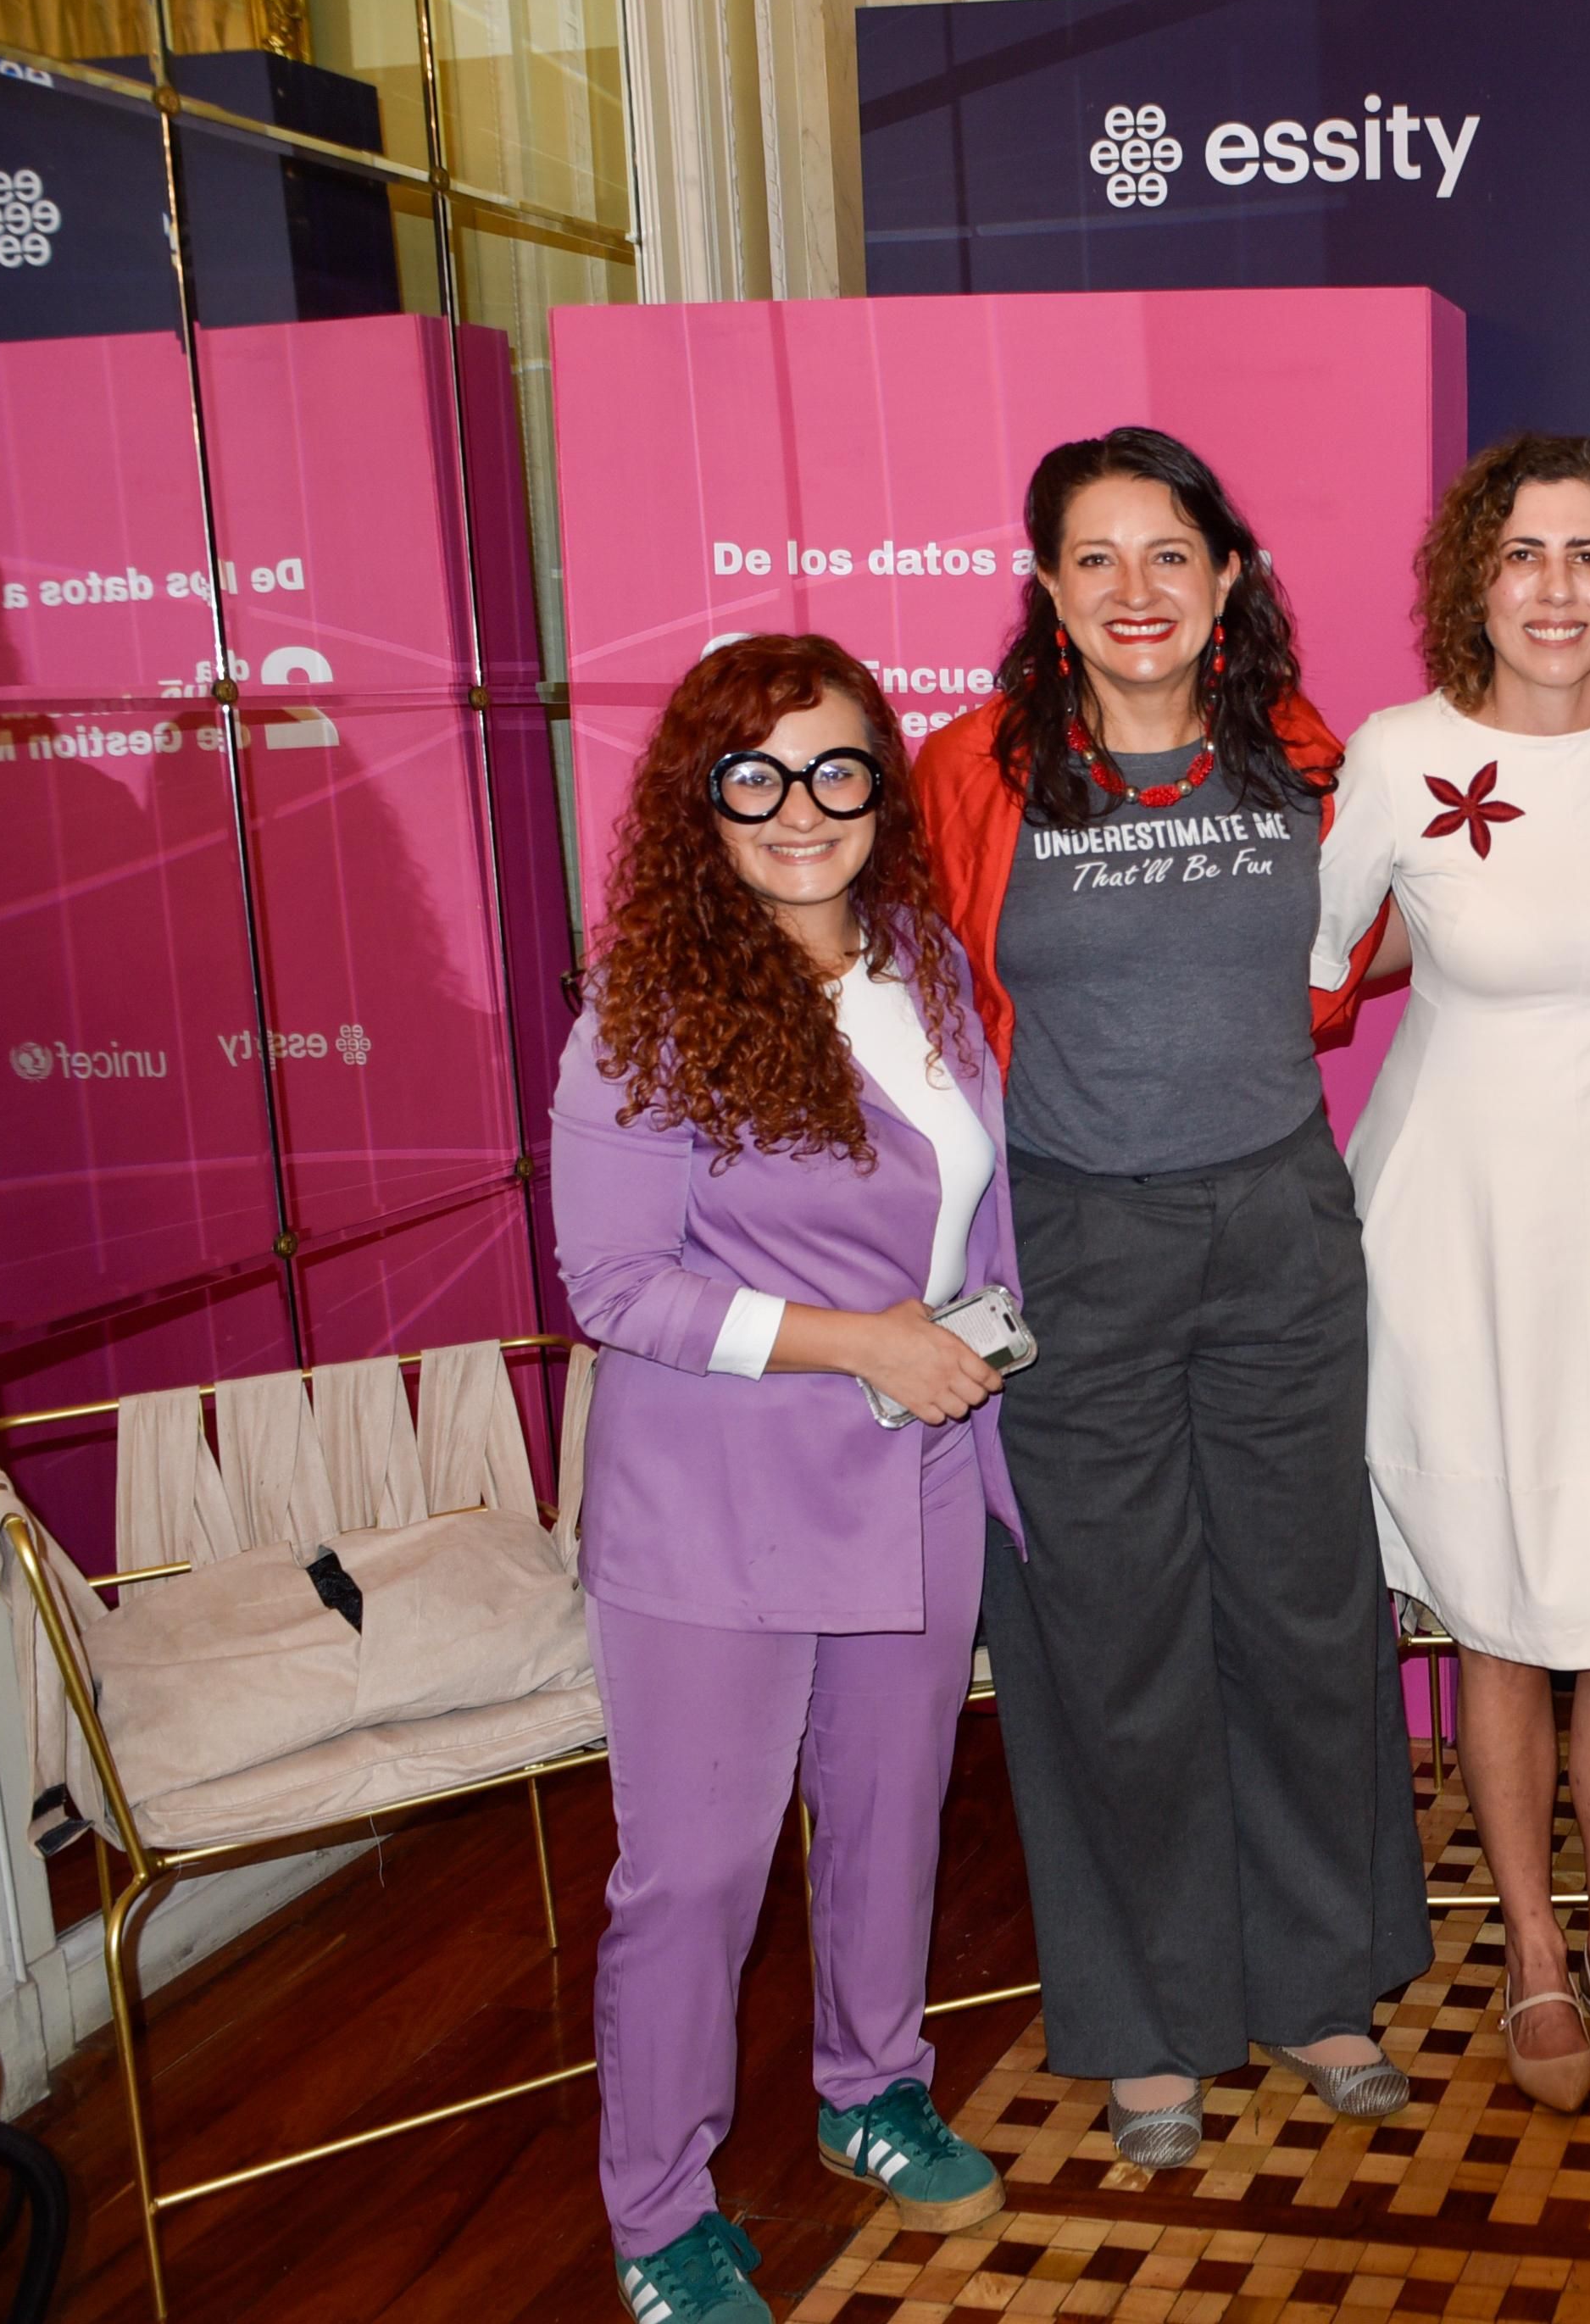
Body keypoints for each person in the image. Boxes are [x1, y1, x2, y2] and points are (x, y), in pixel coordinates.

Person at [915, 427, 1429, 2161]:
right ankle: (1147, 2021)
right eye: (1096, 558)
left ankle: (1320, 1979)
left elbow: (1370, 948)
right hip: (1073, 1245)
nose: (1135, 589)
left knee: (1302, 1615)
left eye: (1169, 555)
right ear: (1048, 589)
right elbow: (900, 984)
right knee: (1111, 1633)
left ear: (1227, 580)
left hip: (1280, 1230)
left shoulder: (1304, 753)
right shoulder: (968, 771)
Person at [556, 634, 1020, 2324]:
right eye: (754, 776)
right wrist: (862, 1342)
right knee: (695, 1872)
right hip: (718, 1505)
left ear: (880, 788)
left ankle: (871, 2087)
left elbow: (975, 1204)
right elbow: (615, 1285)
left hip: (919, 1470)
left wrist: (977, 1348)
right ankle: (657, 2207)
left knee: (894, 1813)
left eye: (835, 769)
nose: (800, 808)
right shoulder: (647, 1010)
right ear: (704, 801)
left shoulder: (926, 962)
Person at [1309, 433, 1590, 2113]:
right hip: (1459, 1227)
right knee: (1497, 1608)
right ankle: (1534, 1957)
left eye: (1587, 555)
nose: (1555, 589)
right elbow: (1319, 959)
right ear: (1473, 578)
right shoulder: (1401, 751)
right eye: (1523, 554)